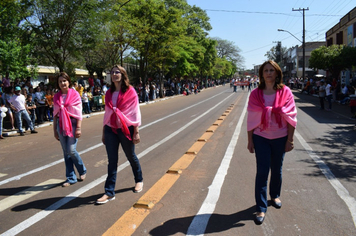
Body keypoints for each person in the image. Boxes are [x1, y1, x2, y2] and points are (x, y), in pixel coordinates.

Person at [247, 60, 297, 225]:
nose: (268, 73)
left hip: (280, 137)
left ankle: (275, 195)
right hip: (260, 137)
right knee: (262, 172)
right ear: (261, 74)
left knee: (277, 169)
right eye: (265, 70)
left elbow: (291, 117)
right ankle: (261, 207)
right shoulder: (255, 93)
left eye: (271, 70)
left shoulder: (285, 92)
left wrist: (290, 140)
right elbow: (251, 119)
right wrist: (250, 141)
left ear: (277, 73)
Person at [97, 65, 143, 204]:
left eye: (118, 72)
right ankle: (109, 192)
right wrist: (104, 132)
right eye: (113, 72)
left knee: (131, 156)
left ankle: (139, 180)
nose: (115, 74)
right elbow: (107, 114)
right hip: (111, 129)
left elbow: (135, 112)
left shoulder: (130, 91)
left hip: (126, 128)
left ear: (123, 75)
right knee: (112, 161)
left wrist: (136, 132)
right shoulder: (109, 93)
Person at [53, 72, 87, 187]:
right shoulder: (56, 96)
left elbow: (78, 112)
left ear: (68, 82)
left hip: (72, 123)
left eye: (64, 81)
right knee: (65, 152)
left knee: (71, 150)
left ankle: (82, 170)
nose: (62, 83)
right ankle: (71, 177)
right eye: (60, 81)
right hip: (60, 124)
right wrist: (55, 130)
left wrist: (78, 127)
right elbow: (55, 115)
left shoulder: (75, 94)